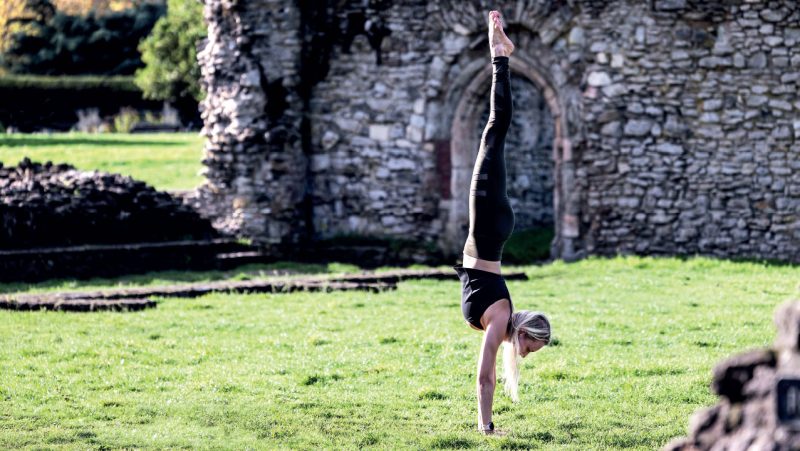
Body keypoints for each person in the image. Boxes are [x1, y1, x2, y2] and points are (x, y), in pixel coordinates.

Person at [453, 10, 552, 436]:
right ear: (524, 330)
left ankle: (500, 54)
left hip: (492, 230)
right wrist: (486, 426)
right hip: (490, 224)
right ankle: (500, 55)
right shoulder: (500, 315)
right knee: (495, 128)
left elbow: (489, 372)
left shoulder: (499, 317)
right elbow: (484, 376)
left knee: (495, 133)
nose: (526, 354)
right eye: (531, 345)